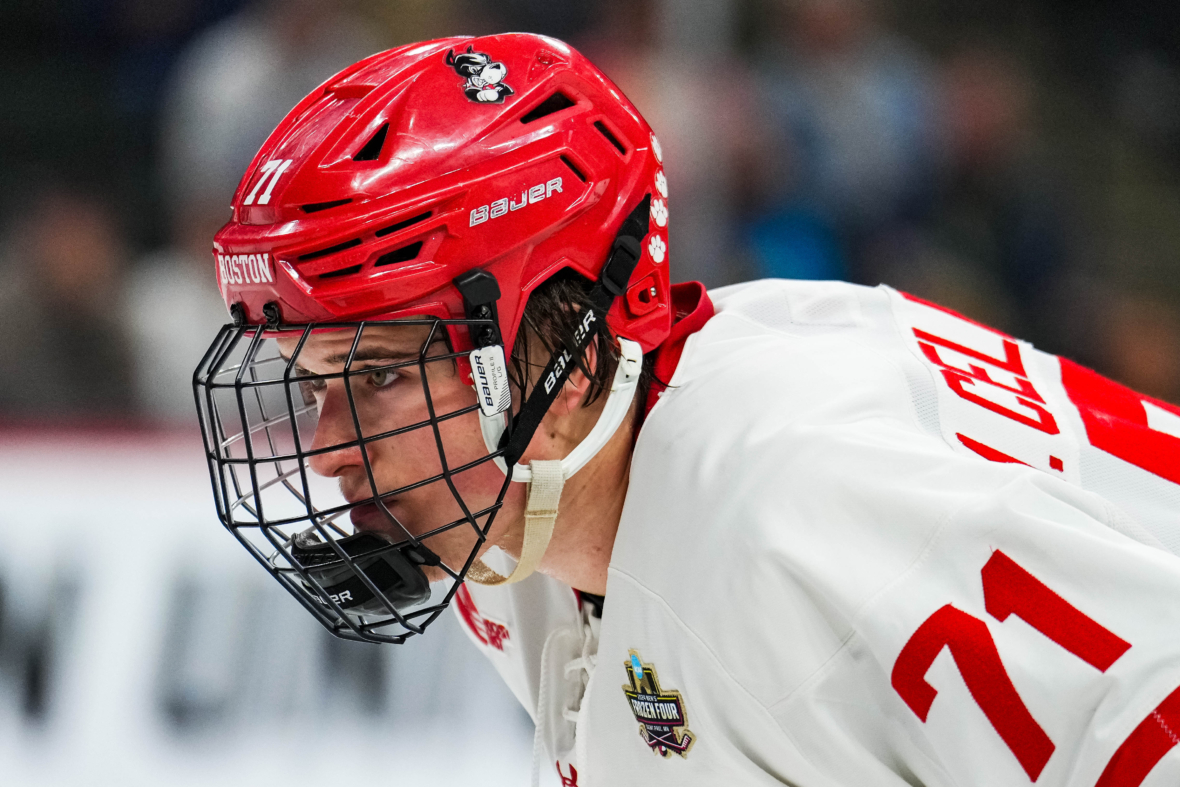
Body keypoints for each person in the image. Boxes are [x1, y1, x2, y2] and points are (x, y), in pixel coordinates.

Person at [192, 33, 1180, 786]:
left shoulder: (793, 507)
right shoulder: (516, 529)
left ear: (568, 354)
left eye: (375, 379)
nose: (327, 453)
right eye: (318, 384)